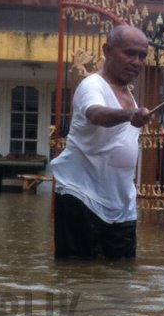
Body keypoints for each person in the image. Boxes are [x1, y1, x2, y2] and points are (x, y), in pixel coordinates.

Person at [51, 24, 154, 260]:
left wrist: (132, 112)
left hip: (121, 203)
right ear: (107, 51)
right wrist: (129, 115)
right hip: (82, 197)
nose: (137, 61)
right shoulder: (92, 86)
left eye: (142, 56)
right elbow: (95, 114)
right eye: (129, 53)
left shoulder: (128, 93)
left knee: (122, 278)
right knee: (77, 276)